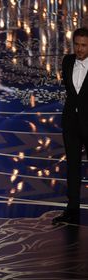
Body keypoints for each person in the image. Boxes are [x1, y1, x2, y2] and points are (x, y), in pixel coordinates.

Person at [52, 27, 88, 225]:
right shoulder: (67, 61)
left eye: (84, 45)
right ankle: (72, 209)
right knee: (72, 168)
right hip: (71, 124)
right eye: (77, 44)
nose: (80, 49)